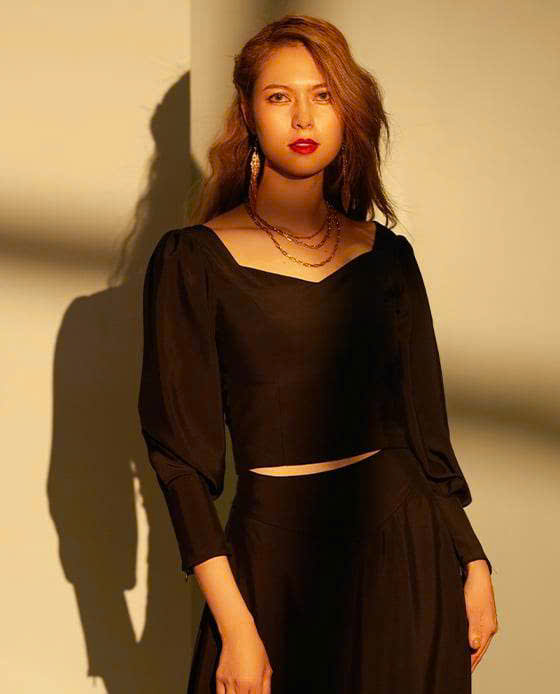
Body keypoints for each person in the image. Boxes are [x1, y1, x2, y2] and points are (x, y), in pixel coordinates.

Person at [138, 14, 498, 694]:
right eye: (280, 96)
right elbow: (180, 463)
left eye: (323, 95)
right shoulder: (193, 261)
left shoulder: (388, 257)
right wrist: (237, 628)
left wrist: (473, 562)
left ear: (345, 111)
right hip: (275, 561)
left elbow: (423, 431)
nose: (303, 116)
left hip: (405, 547)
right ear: (248, 112)